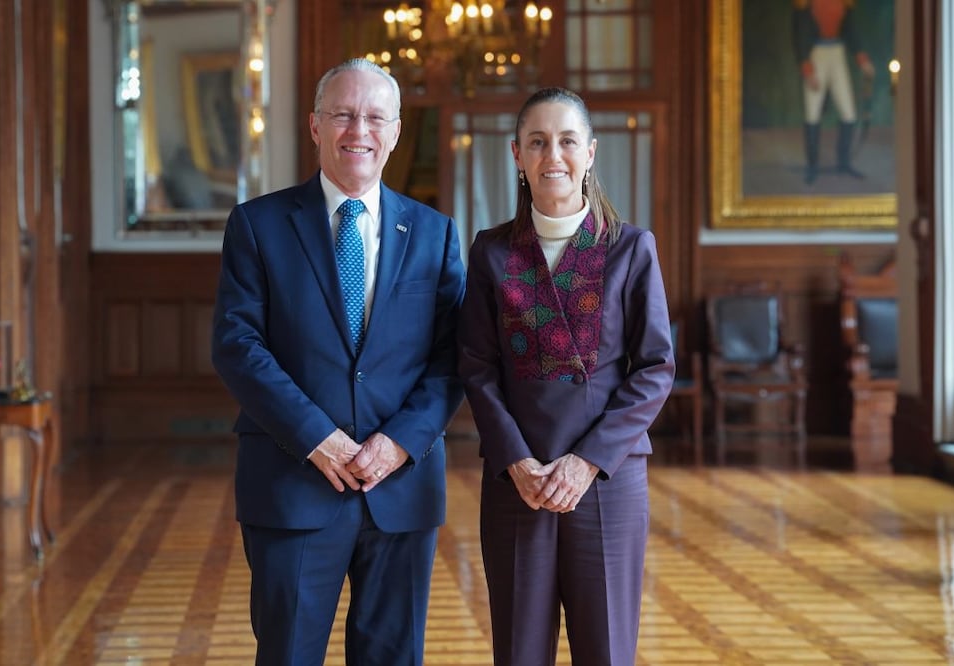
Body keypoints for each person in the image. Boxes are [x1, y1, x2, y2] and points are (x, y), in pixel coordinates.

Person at [211, 58, 465, 666]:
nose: (360, 130)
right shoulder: (258, 224)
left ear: (396, 131)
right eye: (344, 114)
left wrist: (399, 443)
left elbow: (455, 355)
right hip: (293, 483)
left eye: (375, 116)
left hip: (400, 488)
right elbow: (237, 345)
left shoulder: (435, 232)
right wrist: (318, 439)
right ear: (315, 126)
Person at [457, 87, 675, 666]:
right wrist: (516, 461)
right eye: (538, 141)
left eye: (567, 141)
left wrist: (587, 461)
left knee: (606, 650)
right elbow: (477, 368)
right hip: (516, 479)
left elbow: (655, 368)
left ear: (590, 152)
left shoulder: (631, 248)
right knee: (520, 651)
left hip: (606, 478)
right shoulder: (490, 252)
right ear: (517, 156)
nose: (553, 154)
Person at [792, 0, 876, 184]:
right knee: (812, 114)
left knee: (849, 114)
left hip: (837, 53)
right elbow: (800, 35)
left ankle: (843, 163)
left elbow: (850, 31)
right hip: (816, 55)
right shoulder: (804, 4)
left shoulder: (844, 3)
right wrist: (807, 69)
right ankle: (812, 166)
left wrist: (863, 61)